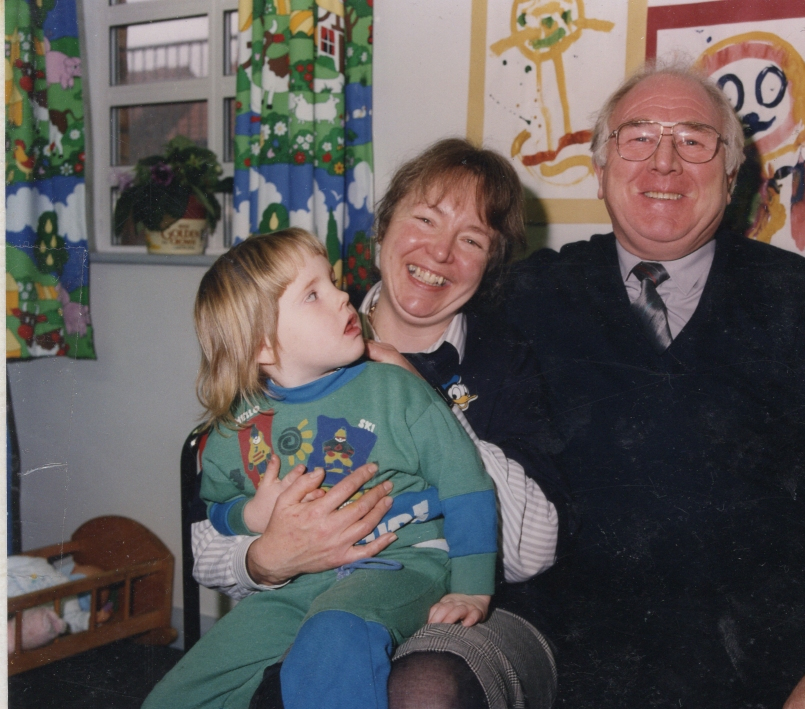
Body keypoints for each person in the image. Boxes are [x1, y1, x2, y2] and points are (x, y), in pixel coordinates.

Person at [503, 61, 805, 708]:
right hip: (570, 672)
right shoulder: (531, 294)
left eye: (693, 140)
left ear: (730, 178)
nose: (664, 162)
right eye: (639, 137)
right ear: (600, 169)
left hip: (761, 677)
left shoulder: (801, 302)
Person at [189, 141, 563, 709]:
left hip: (475, 604)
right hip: (309, 597)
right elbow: (209, 546)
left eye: (471, 240)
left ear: (490, 263)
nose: (440, 252)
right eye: (426, 220)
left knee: (423, 690)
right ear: (383, 227)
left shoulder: (506, 359)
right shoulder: (295, 341)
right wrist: (266, 559)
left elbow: (532, 551)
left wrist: (424, 400)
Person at [145, 229, 498, 709]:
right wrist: (251, 516)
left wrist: (472, 589)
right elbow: (217, 507)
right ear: (263, 346)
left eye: (331, 282)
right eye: (313, 294)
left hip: (403, 561)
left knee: (333, 637)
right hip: (297, 585)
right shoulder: (235, 429)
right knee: (178, 695)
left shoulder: (397, 389)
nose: (342, 296)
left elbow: (467, 485)